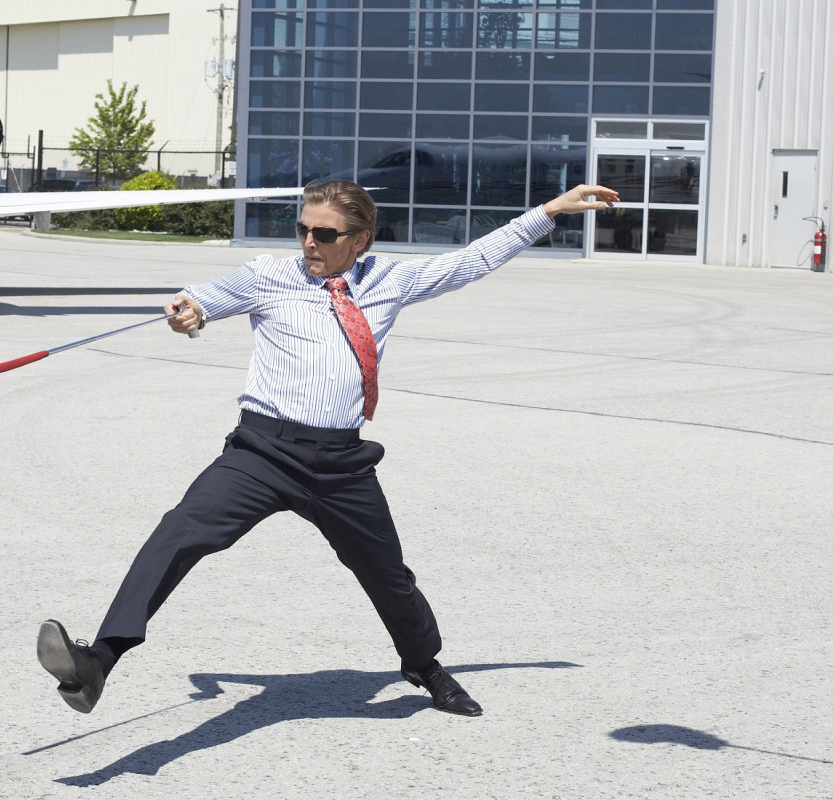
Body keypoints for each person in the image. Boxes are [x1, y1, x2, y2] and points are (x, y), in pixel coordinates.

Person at [36, 180, 619, 717]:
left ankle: (424, 664)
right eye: (303, 230)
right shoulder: (269, 275)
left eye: (325, 233)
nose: (309, 243)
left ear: (359, 240)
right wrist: (188, 311)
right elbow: (203, 299)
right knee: (178, 532)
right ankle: (99, 660)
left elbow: (471, 261)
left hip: (341, 464)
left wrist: (550, 211)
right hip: (261, 453)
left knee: (387, 575)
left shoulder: (388, 281)